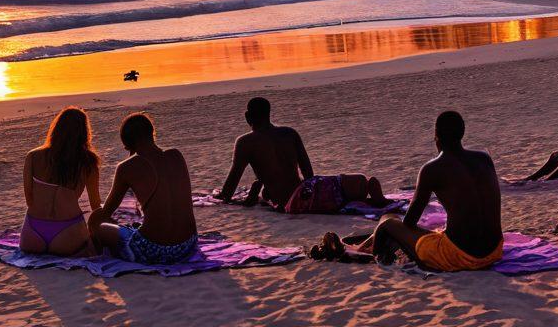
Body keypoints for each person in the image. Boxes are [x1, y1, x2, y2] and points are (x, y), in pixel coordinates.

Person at [312, 111, 503, 272]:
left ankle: (365, 253)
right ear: (462, 133)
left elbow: (410, 222)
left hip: (458, 256)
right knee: (405, 227)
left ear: (436, 136)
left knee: (387, 221)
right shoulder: (484, 159)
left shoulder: (432, 169)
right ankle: (365, 245)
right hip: (494, 251)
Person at [214, 96, 387, 212]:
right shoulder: (289, 133)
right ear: (268, 114)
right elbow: (308, 173)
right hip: (310, 188)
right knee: (361, 182)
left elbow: (228, 191)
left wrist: (237, 199)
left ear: (247, 117)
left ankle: (365, 199)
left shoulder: (245, 142)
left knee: (271, 195)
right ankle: (371, 198)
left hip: (292, 201)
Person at [90, 112, 198, 264]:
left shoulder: (126, 167)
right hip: (189, 245)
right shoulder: (176, 155)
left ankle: (95, 254)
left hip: (153, 250)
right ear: (152, 133)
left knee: (98, 223)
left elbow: (106, 212)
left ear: (127, 144)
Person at [20, 107, 101, 255]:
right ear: (84, 133)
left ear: (56, 129)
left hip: (32, 233)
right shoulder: (88, 161)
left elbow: (29, 199)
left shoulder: (33, 156)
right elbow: (95, 205)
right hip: (68, 232)